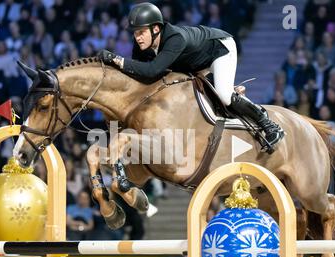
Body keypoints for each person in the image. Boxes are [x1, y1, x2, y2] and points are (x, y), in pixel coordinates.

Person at [97, 2, 284, 153]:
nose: (137, 37)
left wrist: (116, 59)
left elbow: (151, 70)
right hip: (192, 63)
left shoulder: (174, 39)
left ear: (156, 29)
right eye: (135, 33)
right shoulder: (142, 45)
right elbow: (138, 76)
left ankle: (268, 124)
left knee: (224, 96)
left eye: (141, 32)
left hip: (219, 50)